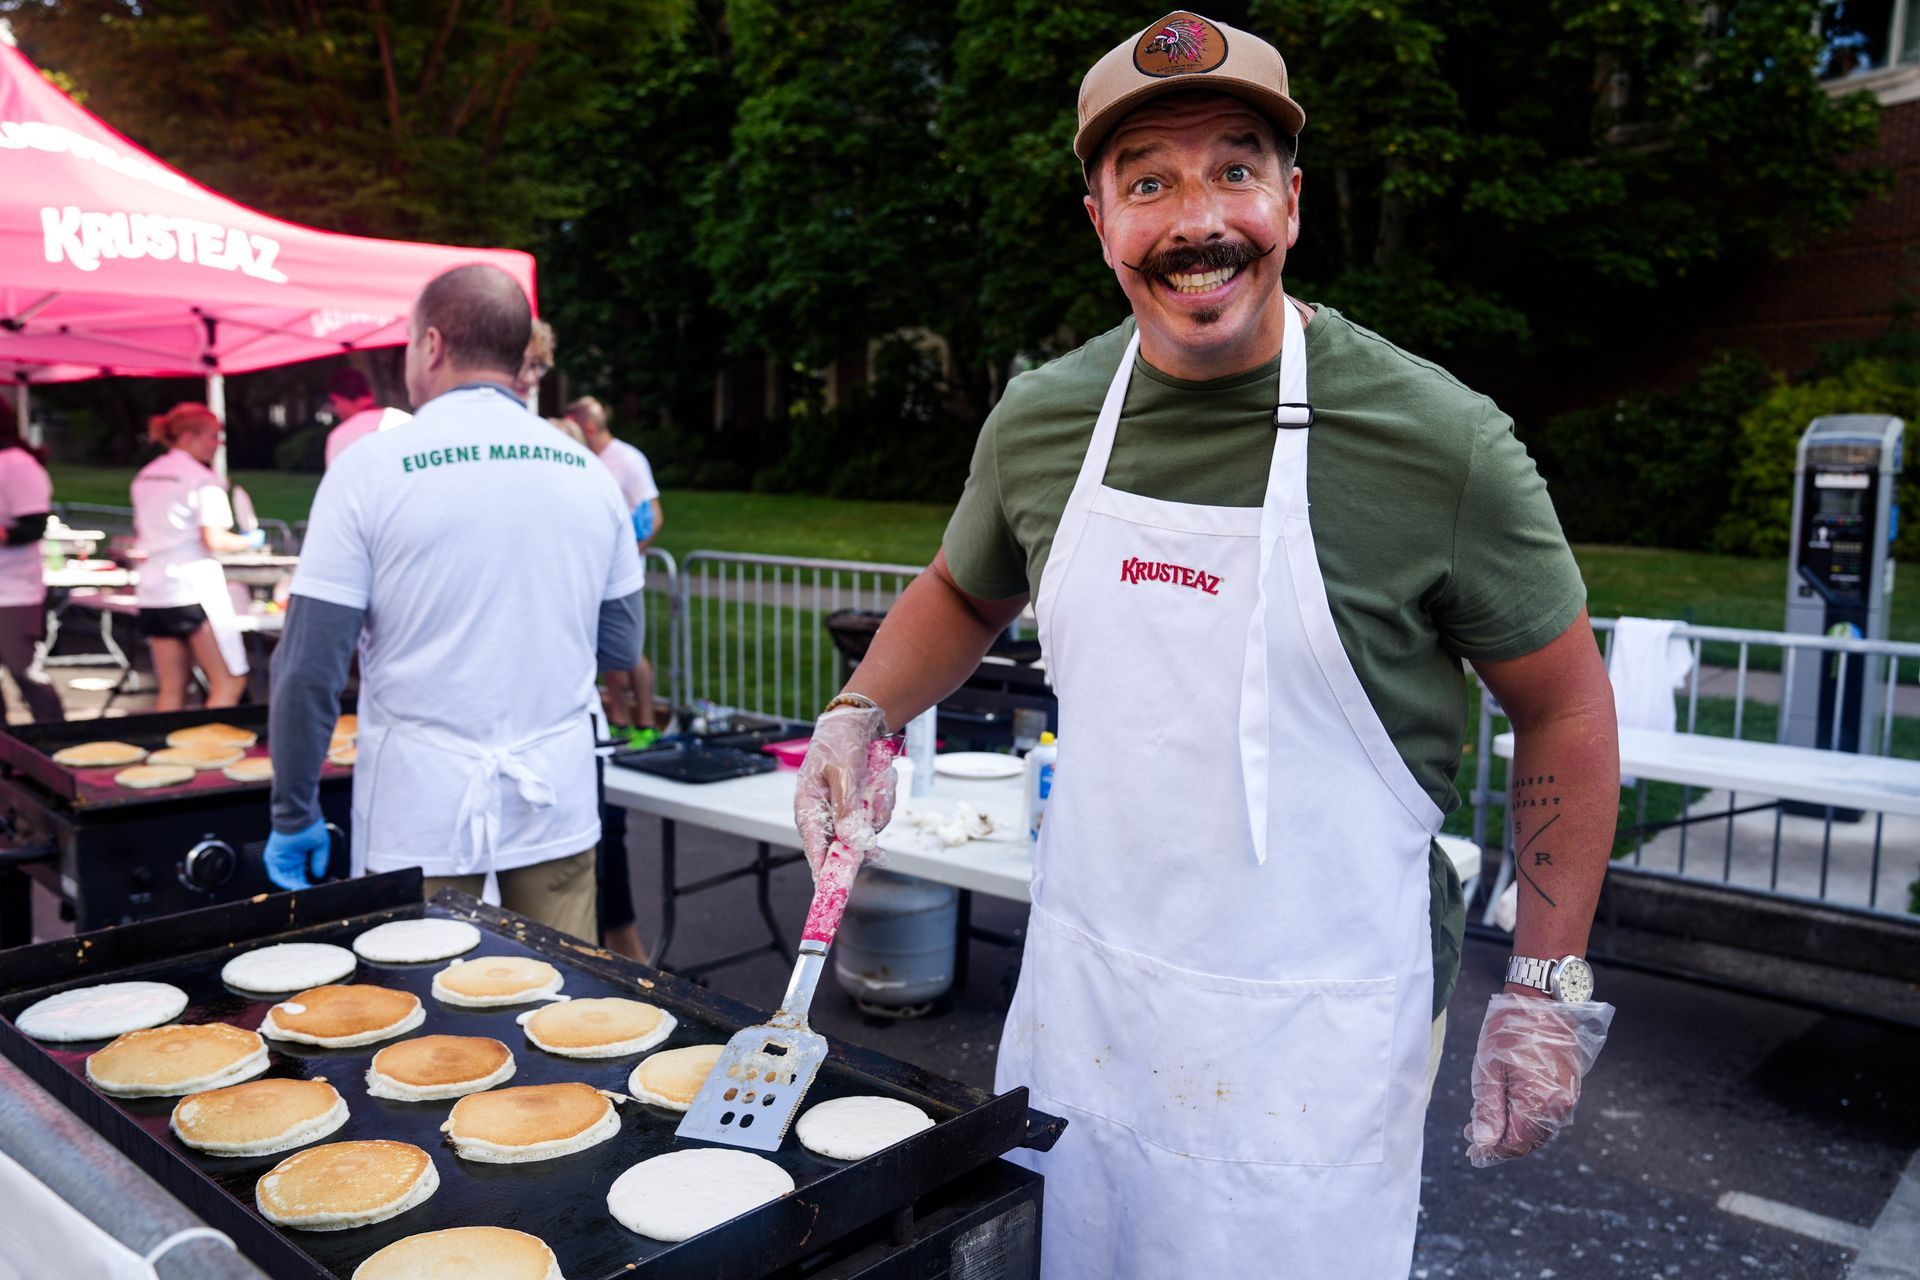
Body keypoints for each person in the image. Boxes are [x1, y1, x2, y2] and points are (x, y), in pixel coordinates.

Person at [792, 14, 1619, 1279]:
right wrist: (862, 711)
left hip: (1313, 1049)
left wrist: (1545, 984)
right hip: (1090, 1009)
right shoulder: (1044, 419)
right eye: (1149, 183)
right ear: (1099, 221)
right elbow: (963, 590)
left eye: (1235, 168)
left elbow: (1564, 704)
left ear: (1292, 199)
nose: (1199, 221)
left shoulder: (1438, 440)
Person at [262, 264, 646, 942]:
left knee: (421, 998)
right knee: (563, 992)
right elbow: (619, 645)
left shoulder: (368, 470)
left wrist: (294, 811)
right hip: (552, 793)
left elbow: (308, 668)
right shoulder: (590, 474)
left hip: (418, 803)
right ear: (518, 352)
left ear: (432, 345)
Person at [131, 403, 258, 711]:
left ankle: (164, 743)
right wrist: (248, 542)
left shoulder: (146, 475)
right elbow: (213, 539)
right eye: (213, 436)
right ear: (189, 437)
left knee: (172, 689)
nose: (218, 444)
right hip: (192, 589)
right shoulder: (201, 479)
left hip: (153, 591)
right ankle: (214, 741)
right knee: (228, 683)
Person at [566, 396, 665, 737]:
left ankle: (647, 723)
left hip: (622, 575)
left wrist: (626, 556)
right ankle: (619, 721)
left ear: (588, 427)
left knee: (630, 650)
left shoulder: (627, 459)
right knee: (604, 648)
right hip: (594, 571)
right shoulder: (585, 459)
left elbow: (654, 516)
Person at [0, 402, 61, 722]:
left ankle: (55, 742)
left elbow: (34, 525)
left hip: (13, 592)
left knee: (25, 673)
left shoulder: (17, 464)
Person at [322, 367, 410, 468]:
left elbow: (337, 477)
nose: (336, 411)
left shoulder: (340, 438)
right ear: (371, 393)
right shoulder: (407, 420)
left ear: (336, 398)